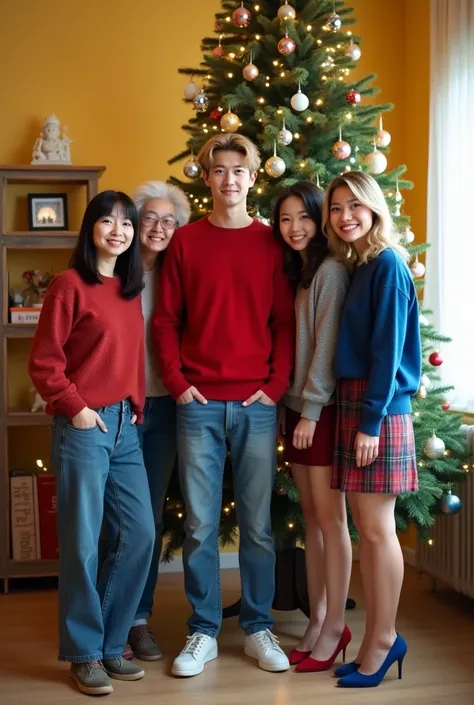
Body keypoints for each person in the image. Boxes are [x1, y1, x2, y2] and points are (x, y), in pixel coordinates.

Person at [152, 134, 295, 677]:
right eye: (220, 170)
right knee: (198, 525)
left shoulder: (272, 243)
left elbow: (283, 323)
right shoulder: (186, 242)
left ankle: (258, 627)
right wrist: (177, 381)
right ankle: (203, 630)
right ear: (207, 177)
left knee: (258, 525)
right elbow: (165, 320)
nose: (229, 179)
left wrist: (276, 386)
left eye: (239, 170)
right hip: (199, 403)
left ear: (253, 177)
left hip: (258, 403)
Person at [28, 191, 155, 697]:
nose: (118, 231)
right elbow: (44, 361)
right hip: (84, 425)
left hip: (126, 427)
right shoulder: (68, 285)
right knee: (81, 545)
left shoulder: (129, 289)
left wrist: (138, 404)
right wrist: (75, 407)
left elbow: (131, 356)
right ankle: (84, 654)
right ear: (91, 229)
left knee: (140, 534)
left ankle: (110, 643)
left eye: (127, 224)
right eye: (107, 221)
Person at [323, 172, 421, 688]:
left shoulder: (387, 265)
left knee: (379, 531)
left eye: (355, 206)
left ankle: (383, 641)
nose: (345, 216)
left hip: (377, 407)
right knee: (368, 529)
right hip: (359, 402)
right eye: (336, 208)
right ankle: (376, 639)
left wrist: (371, 422)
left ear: (375, 208)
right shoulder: (360, 265)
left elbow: (387, 352)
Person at [273, 181, 352, 673]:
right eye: (284, 219)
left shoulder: (331, 271)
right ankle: (319, 615)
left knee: (331, 520)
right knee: (312, 521)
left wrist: (312, 412)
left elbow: (325, 348)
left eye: (303, 217)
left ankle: (335, 624)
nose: (294, 227)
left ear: (319, 218)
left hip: (316, 413)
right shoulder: (301, 271)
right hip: (295, 408)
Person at [125, 180, 191, 661]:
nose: (160, 227)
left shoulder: (179, 276)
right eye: (150, 217)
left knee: (146, 518)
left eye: (169, 220)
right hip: (118, 410)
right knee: (117, 521)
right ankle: (107, 618)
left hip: (165, 409)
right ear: (134, 221)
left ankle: (138, 619)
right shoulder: (111, 271)